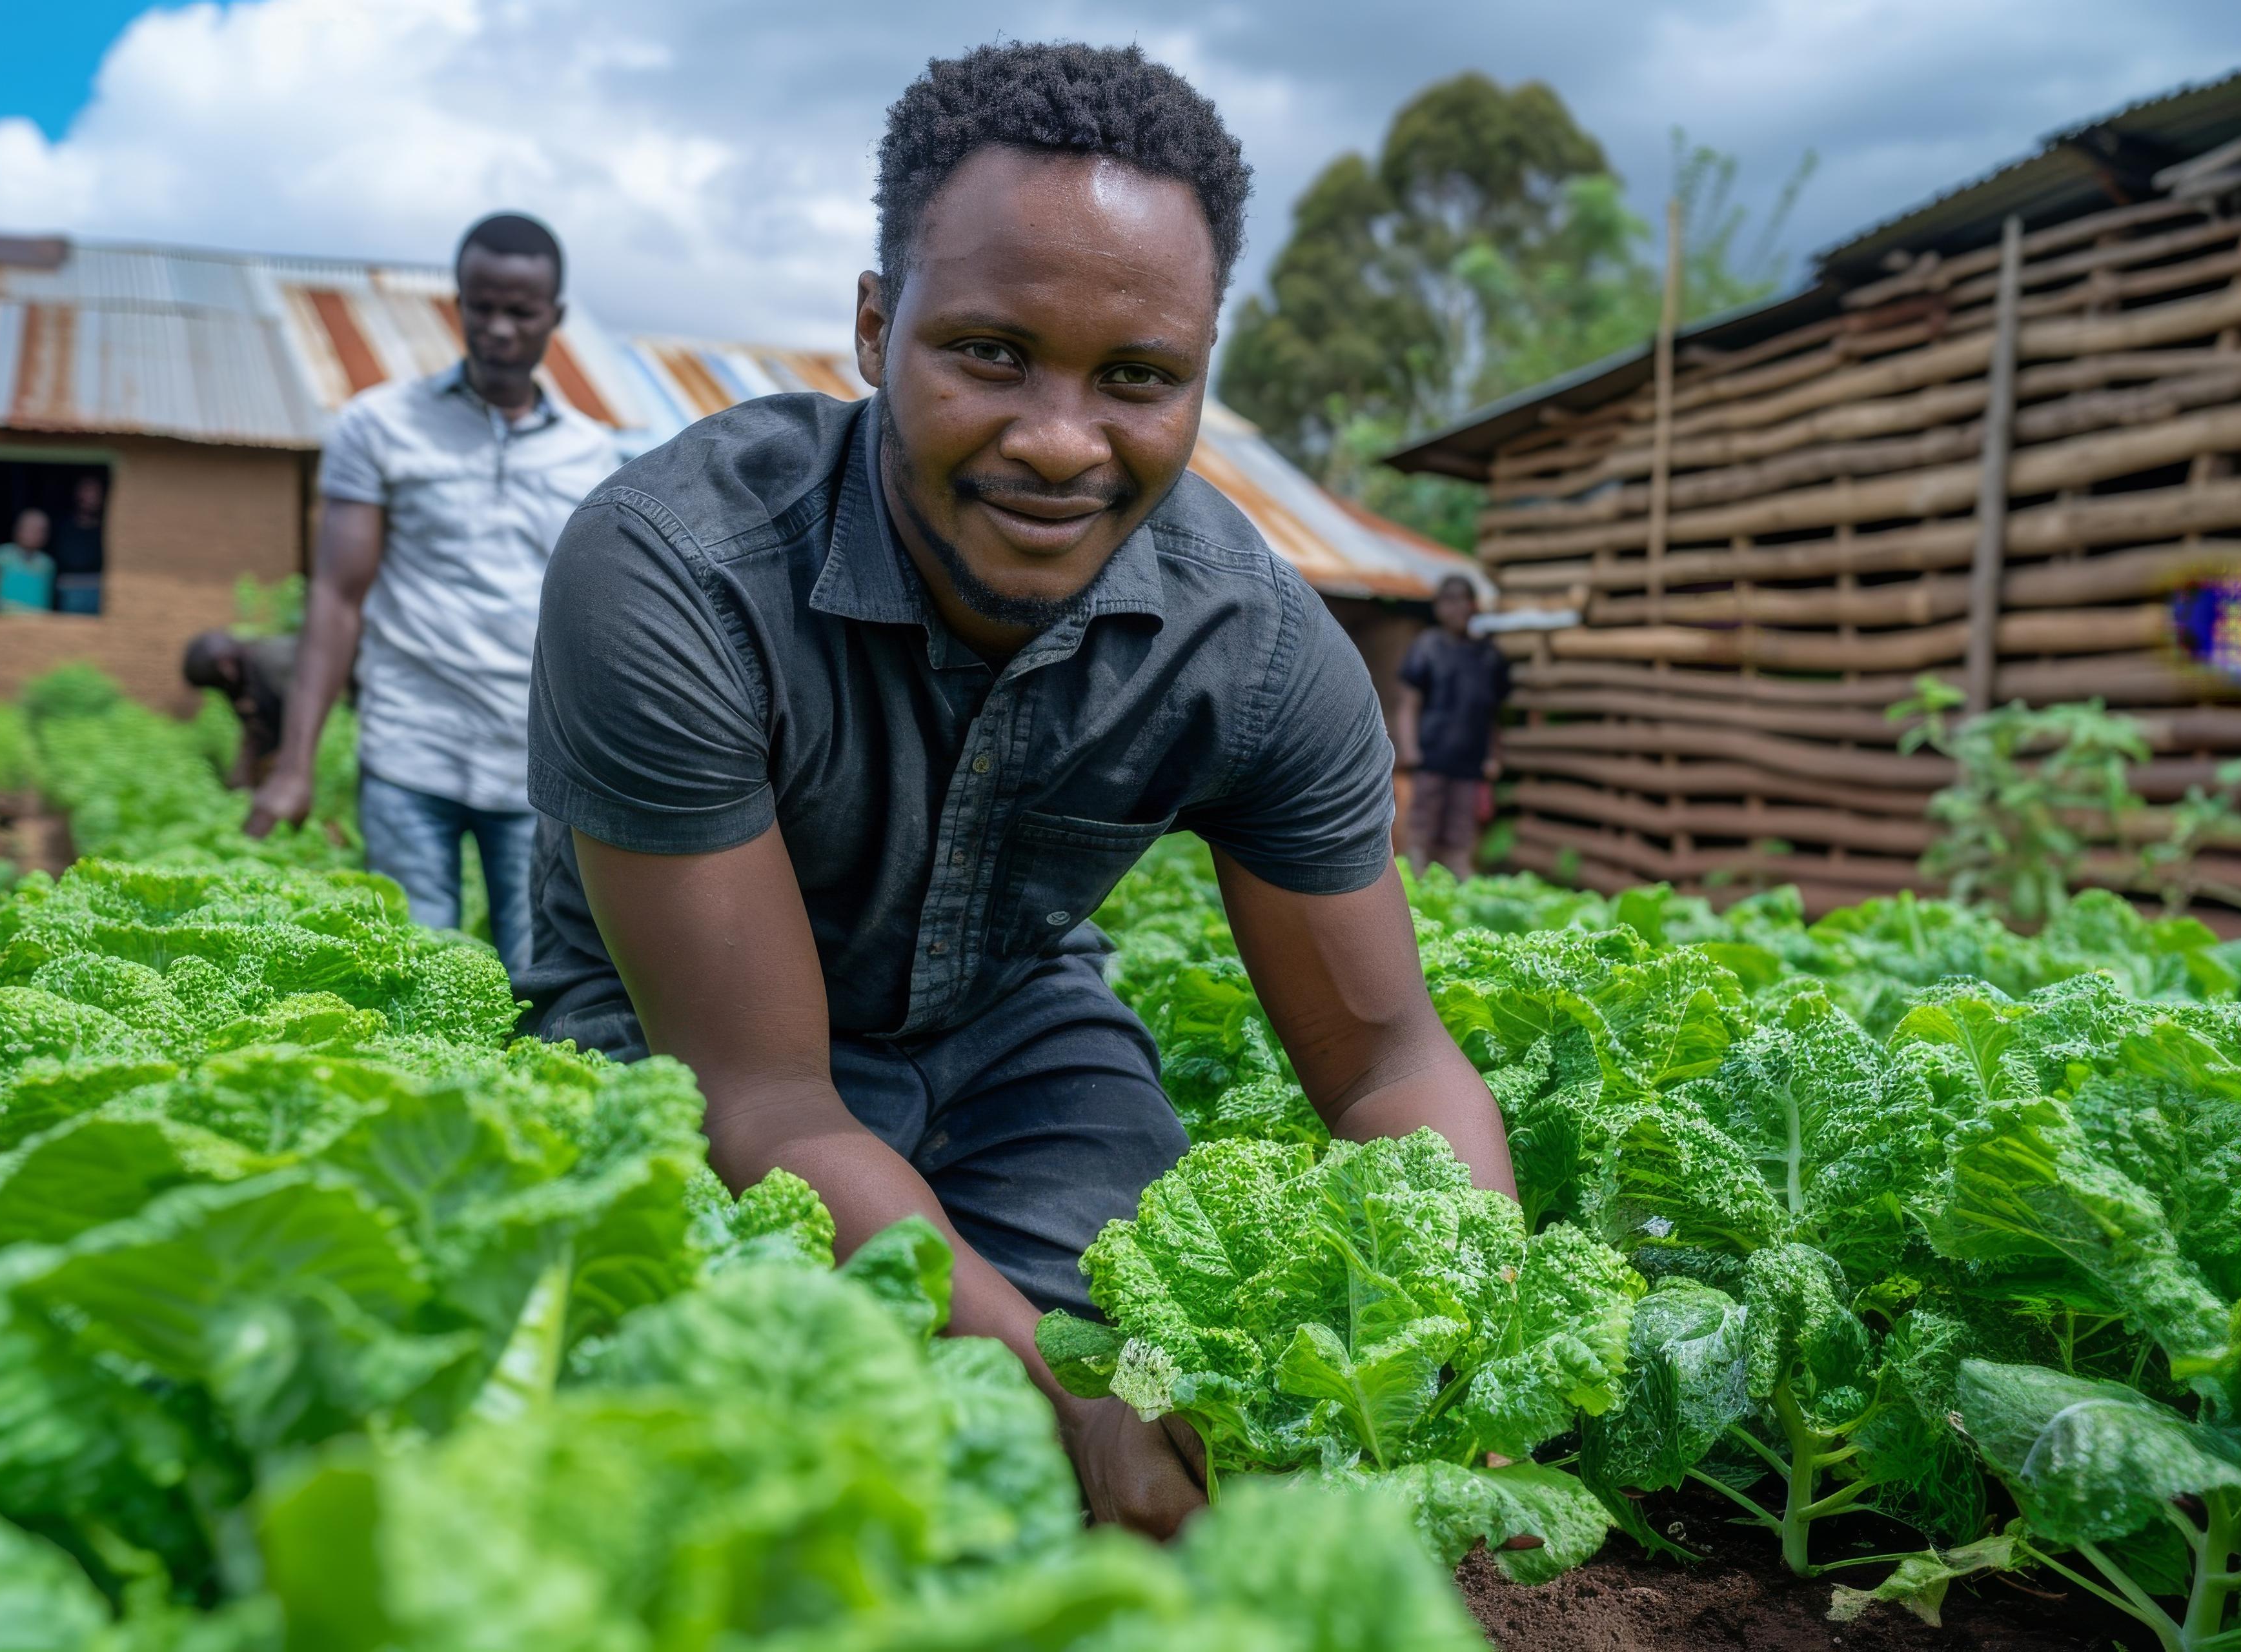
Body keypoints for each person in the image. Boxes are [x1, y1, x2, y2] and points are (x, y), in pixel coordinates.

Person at [519, 43, 1516, 1538]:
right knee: (782, 1428)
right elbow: (769, 1098)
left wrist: (1467, 1334)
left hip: (1011, 1030)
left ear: (1198, 376)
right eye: (990, 352)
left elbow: (1389, 1065)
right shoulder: (675, 573)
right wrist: (1060, 1395)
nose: (1060, 440)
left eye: (1136, 379)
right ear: (874, 324)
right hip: (676, 1037)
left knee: (1156, 1363)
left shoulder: (1250, 646)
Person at [245, 212, 619, 977]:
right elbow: (337, 598)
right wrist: (295, 763)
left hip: (535, 767)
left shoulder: (594, 454)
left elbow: (601, 624)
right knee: (414, 977)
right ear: (457, 305)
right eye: (480, 306)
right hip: (410, 749)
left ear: (557, 317)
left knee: (537, 979)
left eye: (521, 311)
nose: (499, 329)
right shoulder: (381, 427)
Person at [1393, 574, 1511, 879]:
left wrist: (1494, 756)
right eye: (1449, 601)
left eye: (1463, 600)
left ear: (1474, 606)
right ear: (1438, 607)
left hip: (1470, 763)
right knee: (1423, 830)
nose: (1456, 608)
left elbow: (1493, 714)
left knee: (1461, 834)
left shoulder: (1488, 656)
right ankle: (1418, 888)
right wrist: (1410, 750)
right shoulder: (1427, 647)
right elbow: (1409, 704)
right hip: (1431, 757)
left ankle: (1457, 891)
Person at [183, 629, 299, 788]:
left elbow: (298, 723)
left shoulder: (272, 664)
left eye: (219, 686)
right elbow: (255, 732)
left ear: (227, 667)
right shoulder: (243, 677)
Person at [0, 508, 54, 614]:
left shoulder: (47, 564)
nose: (34, 534)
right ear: (18, 530)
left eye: (40, 530)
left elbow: (47, 597)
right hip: (3, 617)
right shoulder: (2, 556)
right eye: (29, 529)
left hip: (36, 621)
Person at [51, 475, 108, 615]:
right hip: (67, 591)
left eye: (95, 493)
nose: (90, 498)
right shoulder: (62, 527)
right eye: (86, 491)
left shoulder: (108, 530)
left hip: (99, 592)